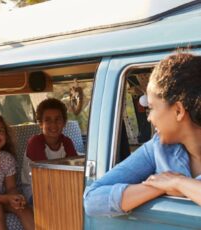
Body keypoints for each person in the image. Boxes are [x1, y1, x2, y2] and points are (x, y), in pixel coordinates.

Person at [84, 52, 201, 216]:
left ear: (178, 111)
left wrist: (179, 182)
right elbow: (92, 200)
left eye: (152, 108)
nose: (149, 118)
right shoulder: (158, 148)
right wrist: (158, 186)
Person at [21, 98, 77, 202]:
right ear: (41, 124)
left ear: (64, 123)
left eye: (57, 119)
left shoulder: (67, 142)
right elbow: (44, 175)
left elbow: (73, 170)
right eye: (48, 120)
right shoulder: (35, 142)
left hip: (60, 187)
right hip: (35, 190)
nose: (53, 125)